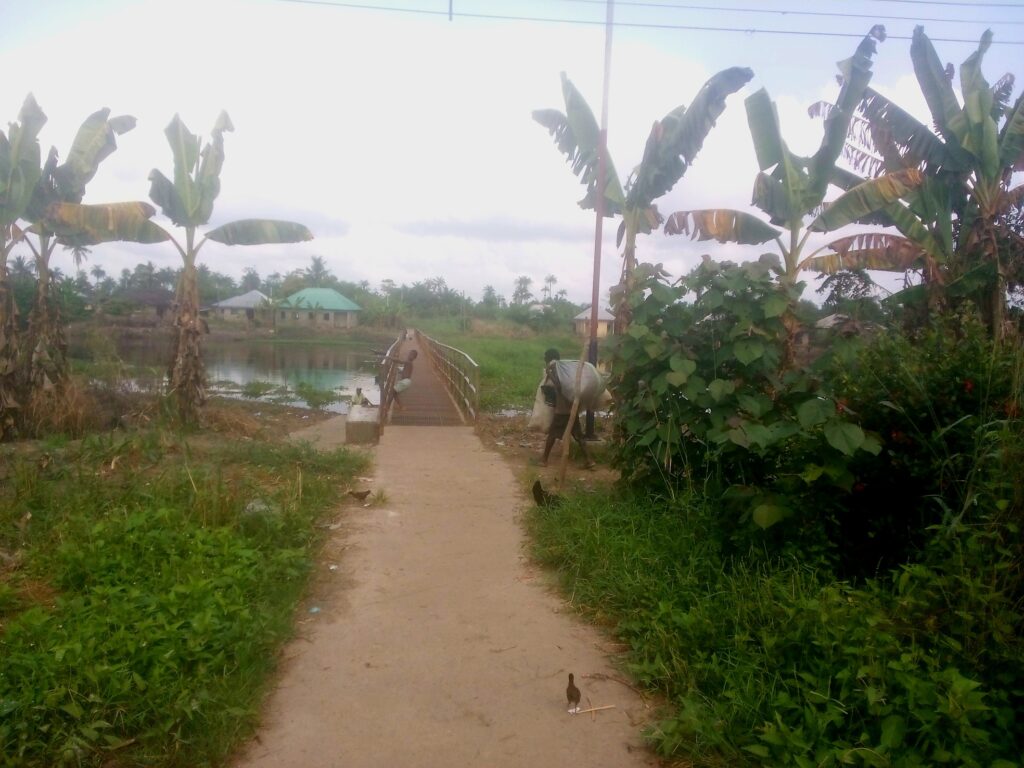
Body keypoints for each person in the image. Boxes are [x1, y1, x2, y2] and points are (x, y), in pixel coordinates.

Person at [541, 348, 594, 468]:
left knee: (553, 434)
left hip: (562, 409)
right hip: (572, 407)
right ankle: (589, 460)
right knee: (578, 435)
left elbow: (559, 387)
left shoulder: (555, 369)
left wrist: (549, 374)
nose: (544, 358)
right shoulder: (565, 369)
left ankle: (544, 460)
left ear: (550, 357)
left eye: (545, 356)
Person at [386, 349, 418, 415]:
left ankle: (387, 407)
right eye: (410, 354)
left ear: (414, 358)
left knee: (392, 392)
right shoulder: (409, 363)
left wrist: (390, 358)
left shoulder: (408, 362)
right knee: (394, 394)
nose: (410, 355)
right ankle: (401, 406)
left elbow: (399, 361)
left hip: (405, 381)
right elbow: (404, 370)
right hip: (406, 381)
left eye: (412, 355)